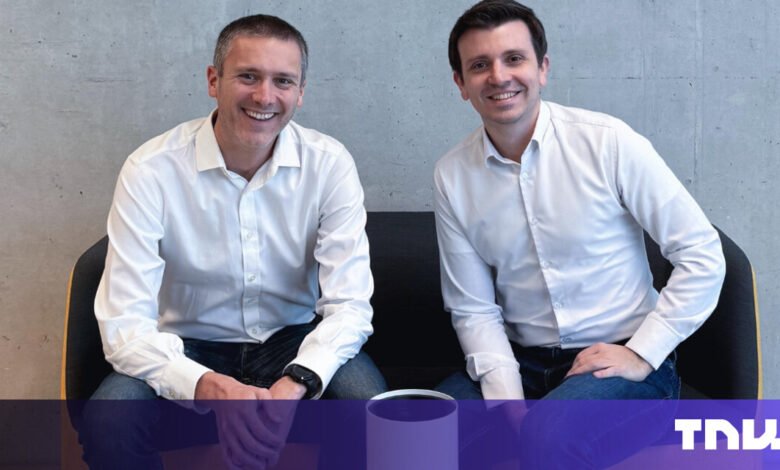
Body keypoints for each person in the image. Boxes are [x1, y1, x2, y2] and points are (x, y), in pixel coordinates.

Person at [81, 13, 386, 469]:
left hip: (293, 339)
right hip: (186, 343)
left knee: (371, 408)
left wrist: (297, 381)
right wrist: (205, 383)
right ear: (213, 79)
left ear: (301, 92)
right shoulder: (150, 170)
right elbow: (125, 324)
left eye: (283, 81)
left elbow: (351, 306)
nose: (265, 96)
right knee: (110, 420)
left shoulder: (329, 164)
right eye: (248, 76)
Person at [434, 0, 725, 466]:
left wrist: (643, 355)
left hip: (622, 361)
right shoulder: (452, 174)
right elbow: (472, 307)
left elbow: (702, 254)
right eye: (479, 65)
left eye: (514, 58)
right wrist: (507, 400)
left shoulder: (608, 142)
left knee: (548, 438)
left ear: (542, 68)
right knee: (428, 431)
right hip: (521, 362)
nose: (499, 76)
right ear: (460, 83)